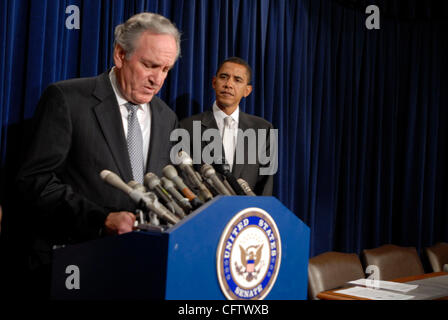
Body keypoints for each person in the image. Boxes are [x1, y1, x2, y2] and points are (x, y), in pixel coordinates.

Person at [16, 12, 180, 295]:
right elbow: (35, 182)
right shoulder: (67, 99)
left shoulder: (167, 118)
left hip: (139, 272)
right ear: (120, 54)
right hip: (74, 266)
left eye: (165, 69)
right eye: (149, 65)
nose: (157, 80)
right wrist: (100, 219)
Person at [180, 57, 275, 196]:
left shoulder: (263, 130)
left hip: (244, 215)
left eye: (237, 80)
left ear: (247, 91)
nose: (228, 84)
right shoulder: (187, 127)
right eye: (224, 77)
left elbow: (265, 187)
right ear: (214, 82)